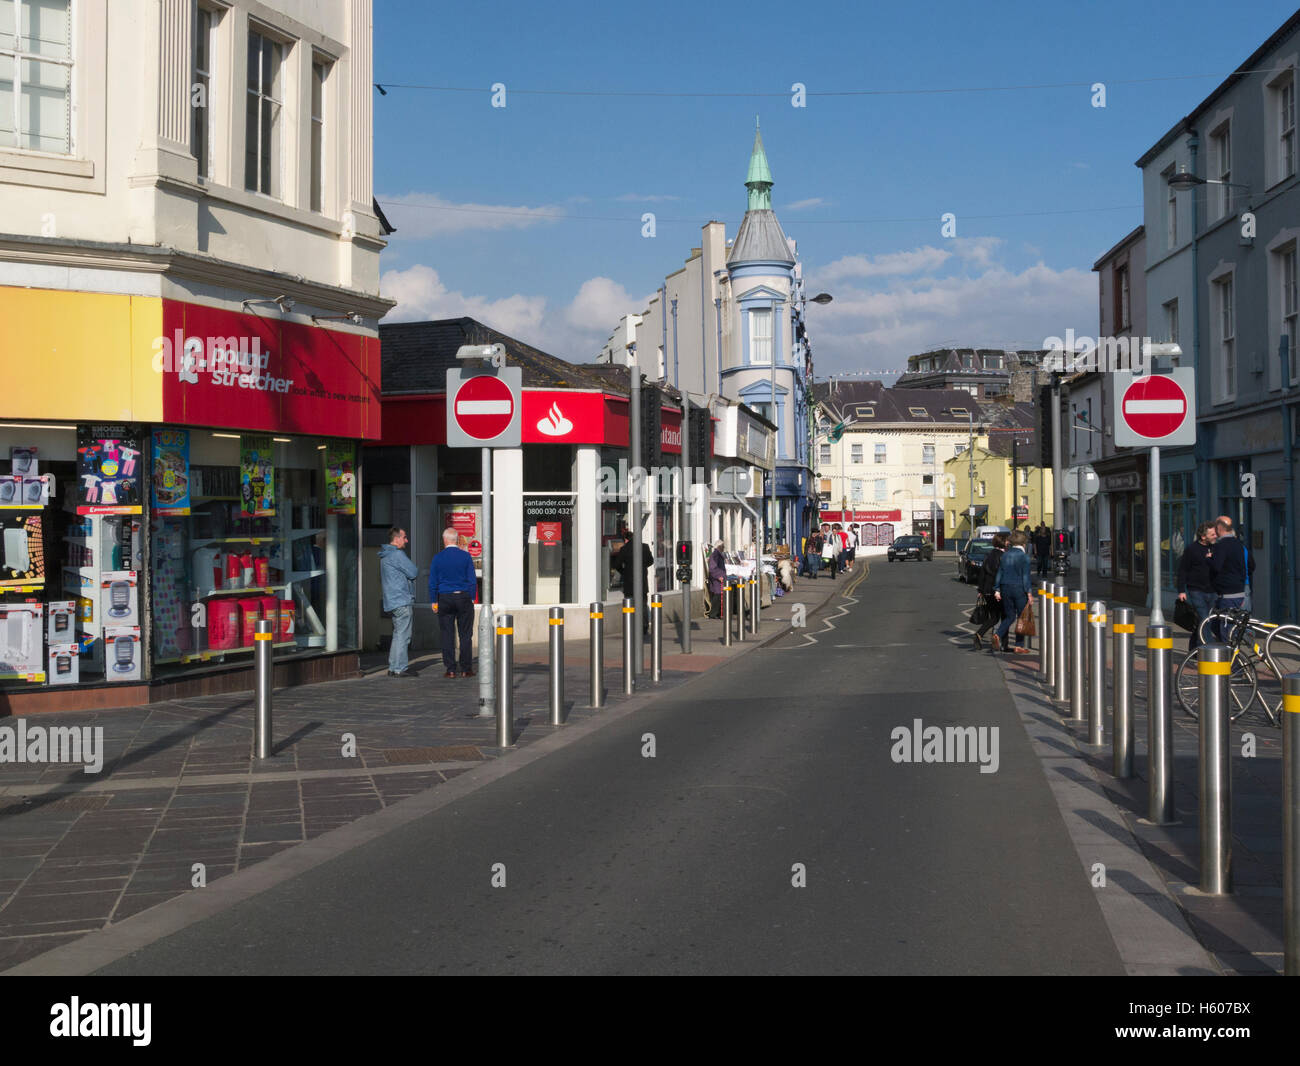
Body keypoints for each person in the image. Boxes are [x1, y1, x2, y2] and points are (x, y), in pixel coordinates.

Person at [429, 527, 478, 678]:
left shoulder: (437, 558)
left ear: (444, 540)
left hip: (444, 597)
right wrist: (471, 597)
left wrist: (433, 601)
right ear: (456, 540)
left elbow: (432, 582)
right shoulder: (465, 557)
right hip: (463, 597)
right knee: (465, 634)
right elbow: (472, 580)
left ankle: (450, 669)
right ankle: (466, 669)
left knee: (447, 634)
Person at [378, 527, 419, 677]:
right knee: (403, 635)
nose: (406, 540)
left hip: (391, 600)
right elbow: (413, 572)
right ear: (396, 539)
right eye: (404, 537)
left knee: (397, 634)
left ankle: (393, 666)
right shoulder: (397, 555)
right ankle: (400, 668)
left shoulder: (385, 555)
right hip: (402, 600)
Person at [1208, 515, 1255, 638]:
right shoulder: (1239, 545)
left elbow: (1216, 567)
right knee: (1221, 624)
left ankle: (1231, 654)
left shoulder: (1221, 546)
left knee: (1227, 630)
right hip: (1240, 590)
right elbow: (1250, 566)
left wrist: (1210, 560)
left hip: (1229, 594)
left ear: (1219, 528)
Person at [1176, 521, 1218, 650]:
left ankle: (1194, 647)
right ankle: (1209, 649)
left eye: (1215, 533)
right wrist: (1181, 590)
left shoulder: (1216, 548)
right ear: (1203, 536)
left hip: (1213, 590)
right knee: (1205, 620)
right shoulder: (1191, 549)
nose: (1215, 535)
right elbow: (1183, 570)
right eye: (1212, 534)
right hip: (1196, 590)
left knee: (1203, 620)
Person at [993, 530, 1034, 655]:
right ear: (1024, 544)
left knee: (1010, 616)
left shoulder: (1005, 555)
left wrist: (997, 589)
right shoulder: (1024, 557)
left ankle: (998, 634)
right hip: (1019, 588)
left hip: (1005, 587)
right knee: (1022, 618)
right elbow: (1026, 577)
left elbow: (1000, 573)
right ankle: (1018, 645)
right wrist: (1029, 593)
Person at [614, 525, 655, 634]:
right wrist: (643, 566)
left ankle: (630, 625)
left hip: (629, 583)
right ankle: (644, 626)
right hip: (642, 582)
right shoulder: (645, 547)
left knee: (630, 605)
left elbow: (617, 564)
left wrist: (625, 572)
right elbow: (651, 561)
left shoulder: (624, 549)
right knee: (642, 605)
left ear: (626, 540)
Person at [972, 532, 1007, 650]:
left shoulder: (989, 555)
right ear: (1003, 542)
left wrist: (981, 589)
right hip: (998, 591)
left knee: (994, 618)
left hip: (987, 590)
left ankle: (979, 635)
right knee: (1004, 617)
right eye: (1007, 541)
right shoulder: (1003, 556)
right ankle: (1003, 644)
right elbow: (1002, 575)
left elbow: (982, 573)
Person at [707, 539, 728, 618]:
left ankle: (718, 613)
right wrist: (719, 576)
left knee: (719, 596)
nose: (724, 548)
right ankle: (713, 614)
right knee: (717, 596)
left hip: (719, 578)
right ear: (720, 546)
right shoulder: (715, 555)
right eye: (723, 546)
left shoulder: (718, 554)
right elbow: (712, 568)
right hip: (717, 579)